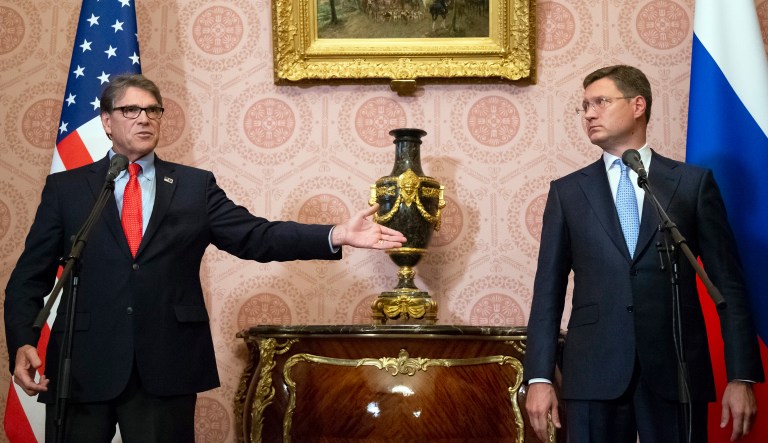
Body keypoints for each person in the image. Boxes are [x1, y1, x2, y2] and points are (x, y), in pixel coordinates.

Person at [4, 73, 407, 442]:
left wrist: (336, 234)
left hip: (165, 364)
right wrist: (22, 339)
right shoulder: (67, 189)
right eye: (130, 110)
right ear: (107, 121)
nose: (144, 118)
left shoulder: (193, 187)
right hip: (83, 364)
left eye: (152, 110)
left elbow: (255, 236)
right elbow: (29, 276)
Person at [523, 65, 764, 442]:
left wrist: (741, 375)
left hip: (676, 369)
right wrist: (538, 377)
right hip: (592, 373)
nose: (588, 113)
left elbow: (728, 287)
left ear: (638, 105)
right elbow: (548, 293)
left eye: (600, 101)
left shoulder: (692, 184)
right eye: (584, 105)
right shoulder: (567, 193)